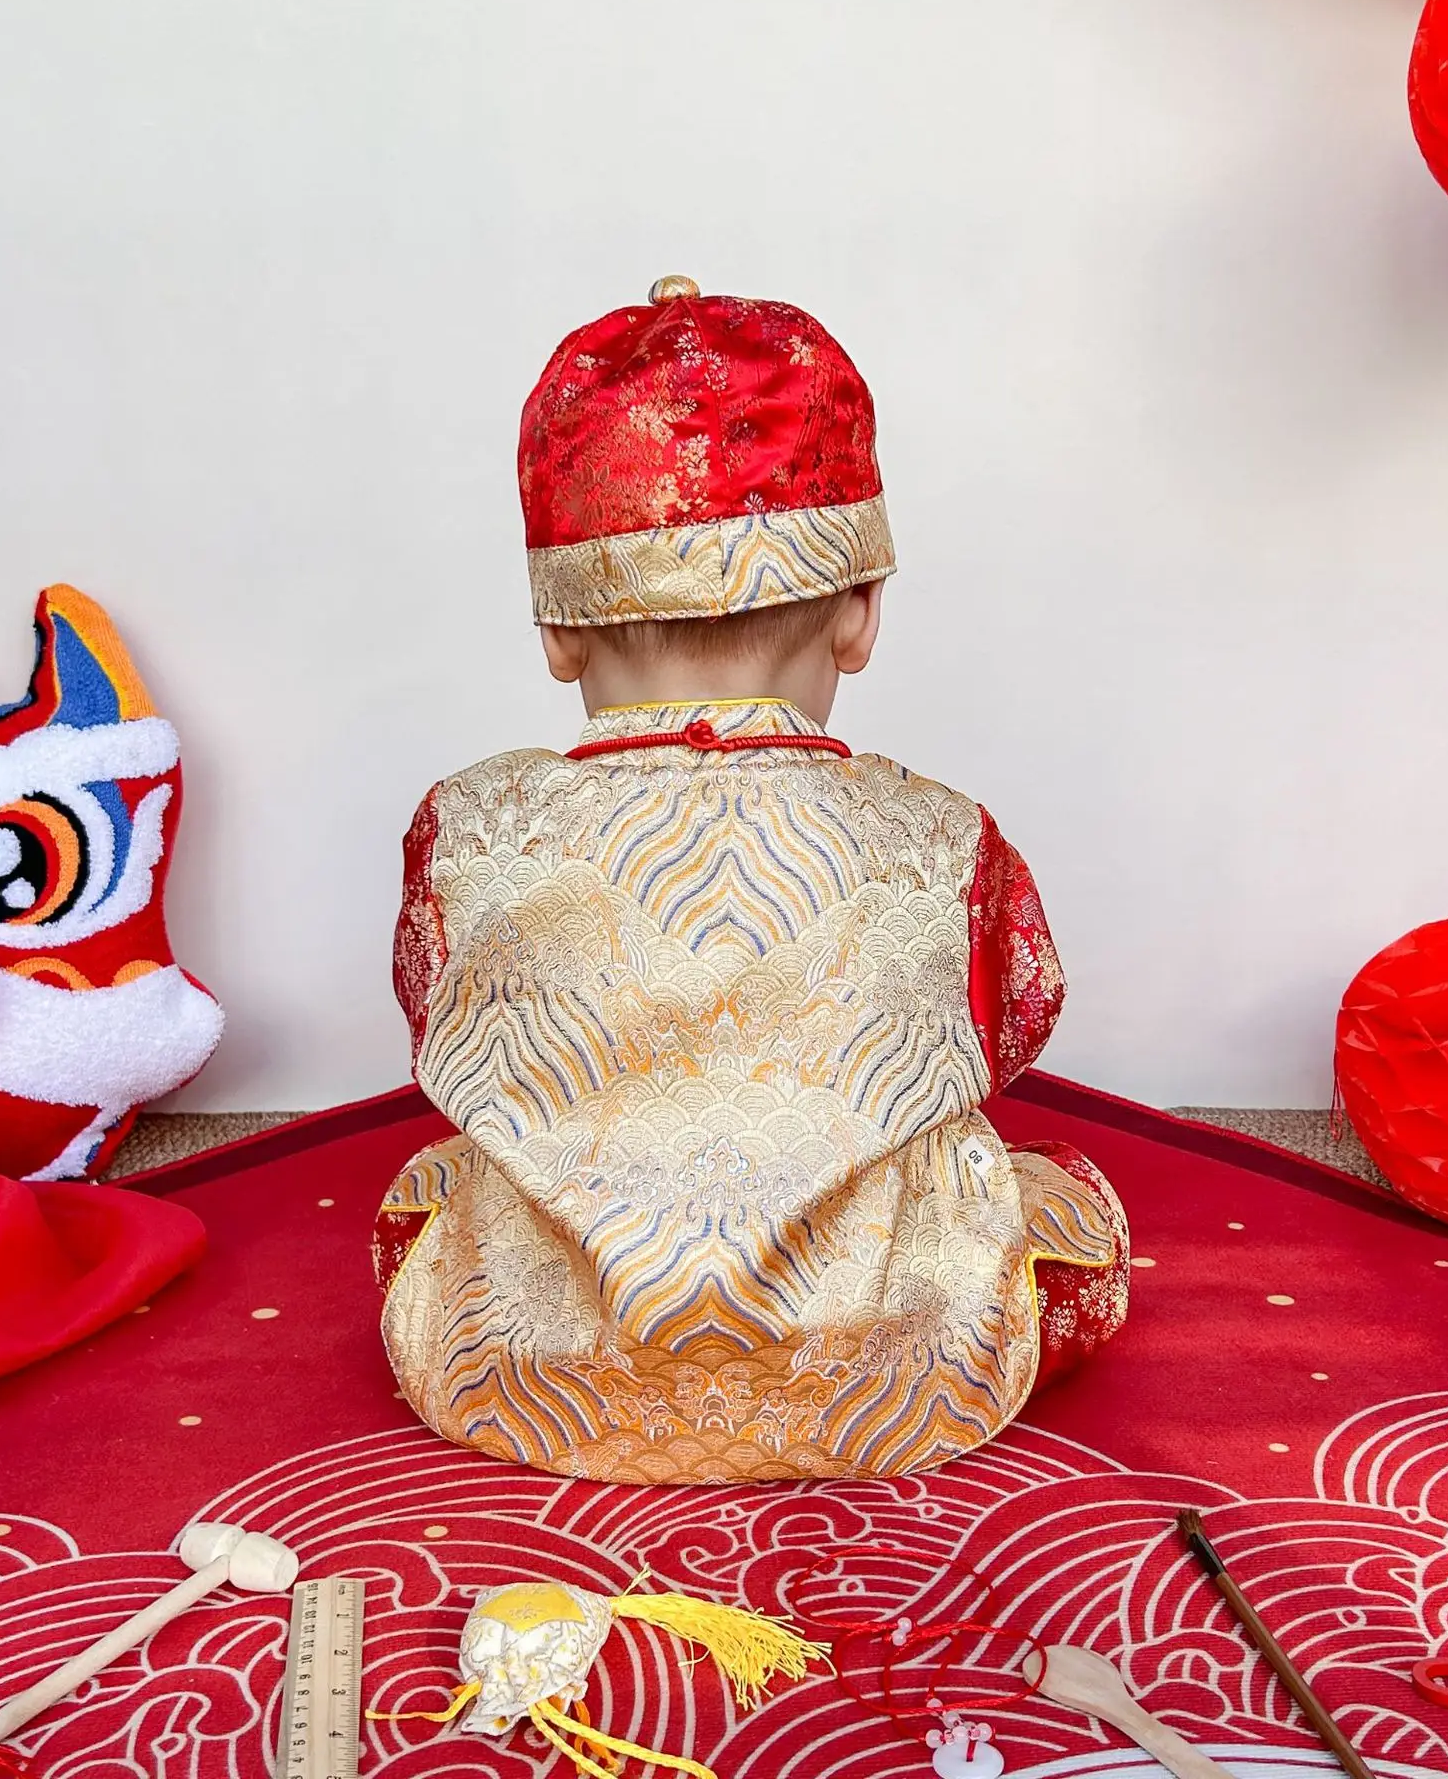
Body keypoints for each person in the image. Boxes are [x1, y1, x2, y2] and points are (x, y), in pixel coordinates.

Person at [377, 277, 1127, 1484]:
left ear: (557, 630)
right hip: (883, 1354)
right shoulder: (942, 833)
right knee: (1063, 1214)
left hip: (540, 1359)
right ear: (860, 617)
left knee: (432, 1202)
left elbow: (439, 1011)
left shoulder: (469, 825)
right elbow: (1016, 1019)